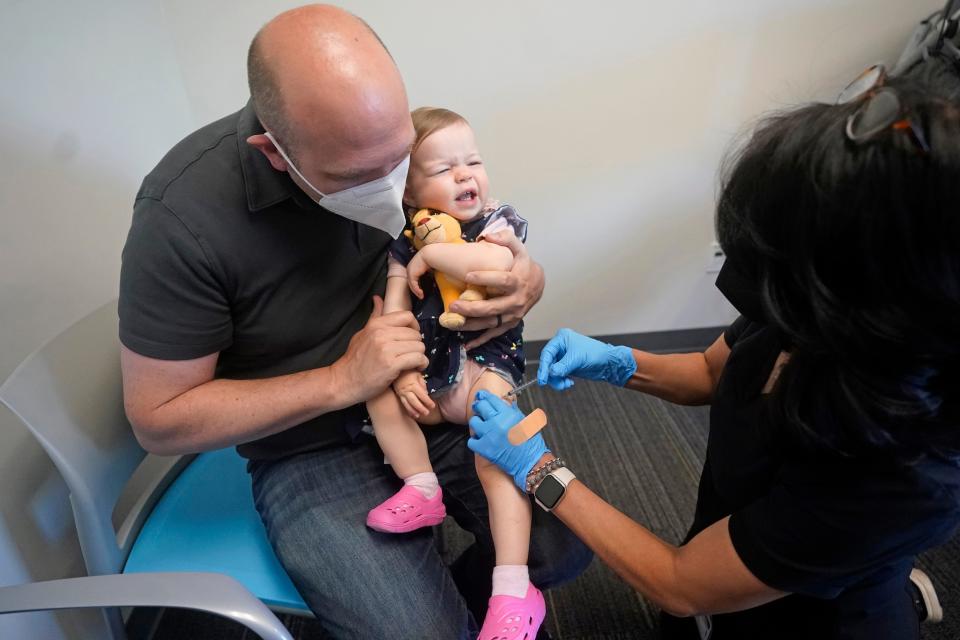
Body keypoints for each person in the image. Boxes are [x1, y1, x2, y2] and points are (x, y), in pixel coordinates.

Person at [117, 5, 590, 638]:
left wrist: (528, 279)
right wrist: (343, 380)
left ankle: (466, 599)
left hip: (433, 391)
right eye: (359, 178)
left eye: (400, 160)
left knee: (567, 545)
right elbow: (159, 418)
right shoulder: (182, 220)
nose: (394, 188)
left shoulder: (379, 139)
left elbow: (479, 227)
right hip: (308, 445)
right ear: (275, 154)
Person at [467, 60, 960, 639]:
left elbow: (679, 582)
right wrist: (613, 360)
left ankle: (881, 582)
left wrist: (538, 469)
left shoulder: (904, 474)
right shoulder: (806, 306)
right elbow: (709, 371)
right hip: (747, 539)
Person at [362, 106, 545, 638]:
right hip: (429, 376)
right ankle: (422, 487)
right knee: (378, 393)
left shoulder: (496, 220)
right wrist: (400, 374)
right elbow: (395, 311)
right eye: (444, 169)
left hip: (483, 369)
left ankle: (514, 588)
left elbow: (492, 270)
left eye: (473, 161)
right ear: (411, 195)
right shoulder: (405, 240)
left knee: (497, 448)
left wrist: (435, 253)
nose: (466, 175)